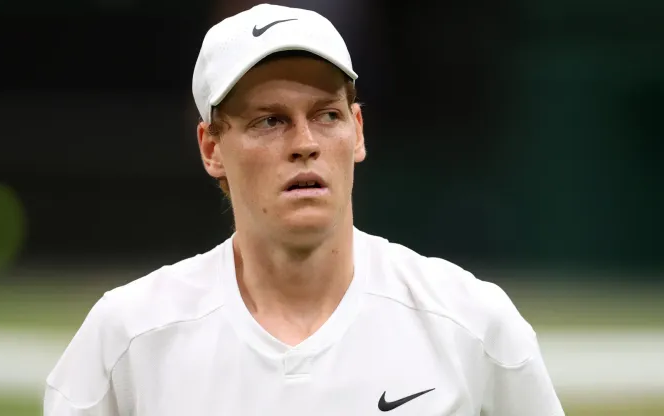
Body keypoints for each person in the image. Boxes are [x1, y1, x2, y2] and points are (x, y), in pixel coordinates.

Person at [43, 4, 565, 415]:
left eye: (328, 114)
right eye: (269, 121)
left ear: (358, 131)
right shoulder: (129, 339)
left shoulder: (471, 326)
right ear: (211, 148)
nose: (305, 142)